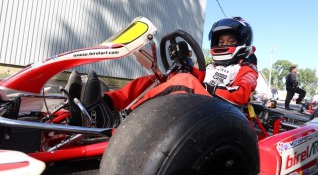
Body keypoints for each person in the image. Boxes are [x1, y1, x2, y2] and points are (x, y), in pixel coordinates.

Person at [79, 17, 258, 127]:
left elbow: (241, 95)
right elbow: (195, 79)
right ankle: (103, 106)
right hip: (199, 107)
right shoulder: (210, 67)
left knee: (185, 81)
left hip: (222, 116)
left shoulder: (245, 69)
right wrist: (183, 65)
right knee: (154, 80)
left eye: (230, 41)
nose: (224, 45)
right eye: (221, 41)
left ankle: (122, 120)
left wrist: (205, 86)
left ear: (242, 43)